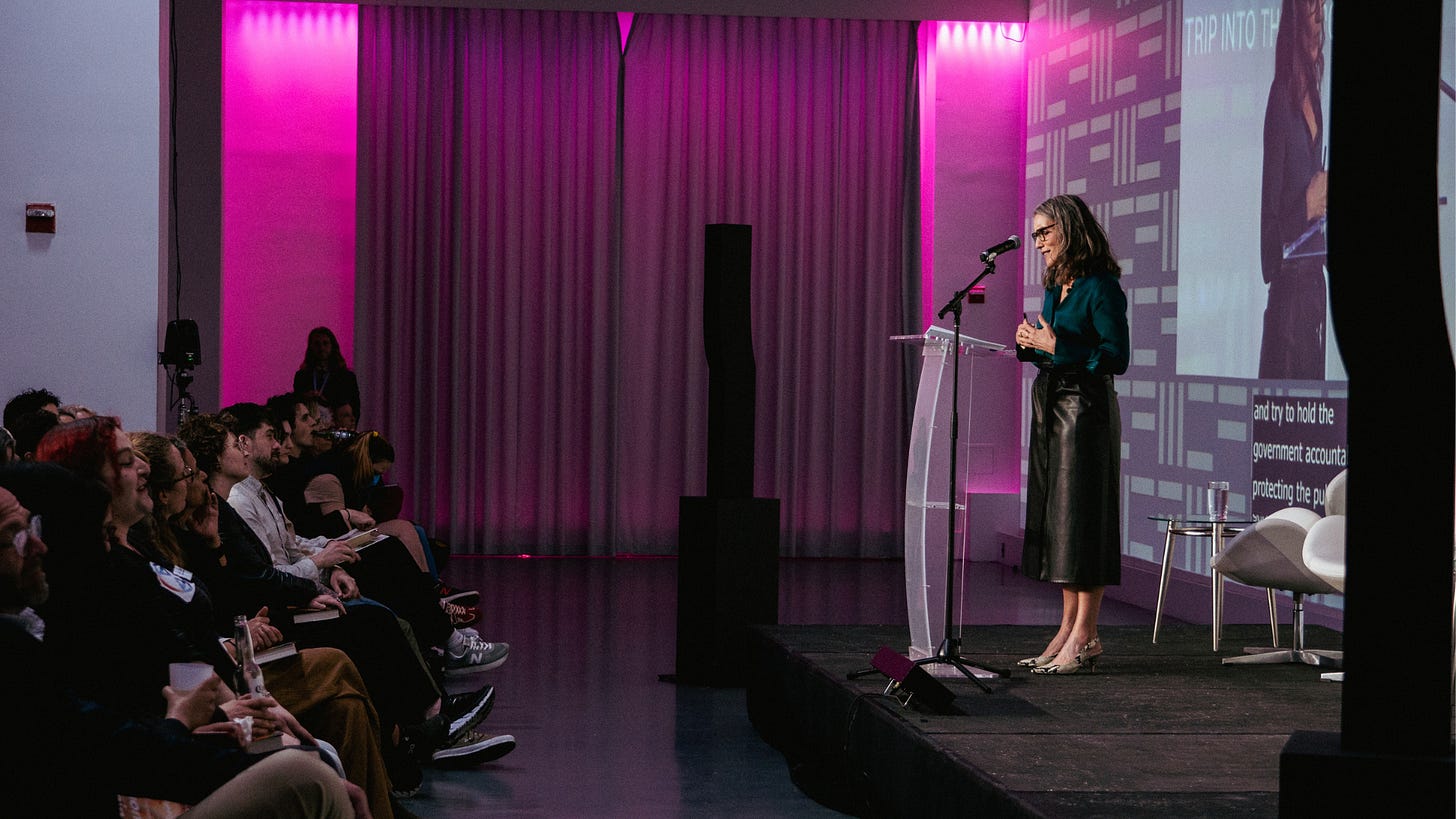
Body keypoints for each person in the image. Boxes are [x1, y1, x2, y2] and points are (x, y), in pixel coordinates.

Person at [0, 468, 368, 818]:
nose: (36, 547)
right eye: (16, 534)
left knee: (333, 723)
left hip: (205, 697)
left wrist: (213, 547)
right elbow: (118, 751)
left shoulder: (154, 545)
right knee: (312, 768)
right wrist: (188, 720)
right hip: (153, 759)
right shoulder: (46, 626)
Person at [1013, 193, 1129, 675]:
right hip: (1054, 407)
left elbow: (1115, 357)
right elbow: (1056, 349)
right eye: (1035, 233)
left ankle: (1086, 634)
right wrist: (1031, 344)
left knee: (1084, 521)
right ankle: (1066, 629)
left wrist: (1057, 345)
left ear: (1069, 229)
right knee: (1062, 521)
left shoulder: (1102, 287)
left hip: (1087, 413)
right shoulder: (1056, 284)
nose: (1038, 242)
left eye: (1045, 232)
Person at [1258, 0, 1328, 379]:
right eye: (1311, 3)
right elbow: (1268, 246)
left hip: (1315, 300)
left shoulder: (1316, 101)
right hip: (1287, 310)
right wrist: (1307, 204)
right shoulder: (1280, 98)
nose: (1320, 11)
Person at [294, 327, 362, 420]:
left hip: (337, 428)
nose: (321, 348)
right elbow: (295, 407)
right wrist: (305, 397)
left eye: (325, 343)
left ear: (332, 346)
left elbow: (354, 409)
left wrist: (327, 401)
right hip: (308, 428)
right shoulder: (302, 376)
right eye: (317, 344)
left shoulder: (346, 377)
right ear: (311, 347)